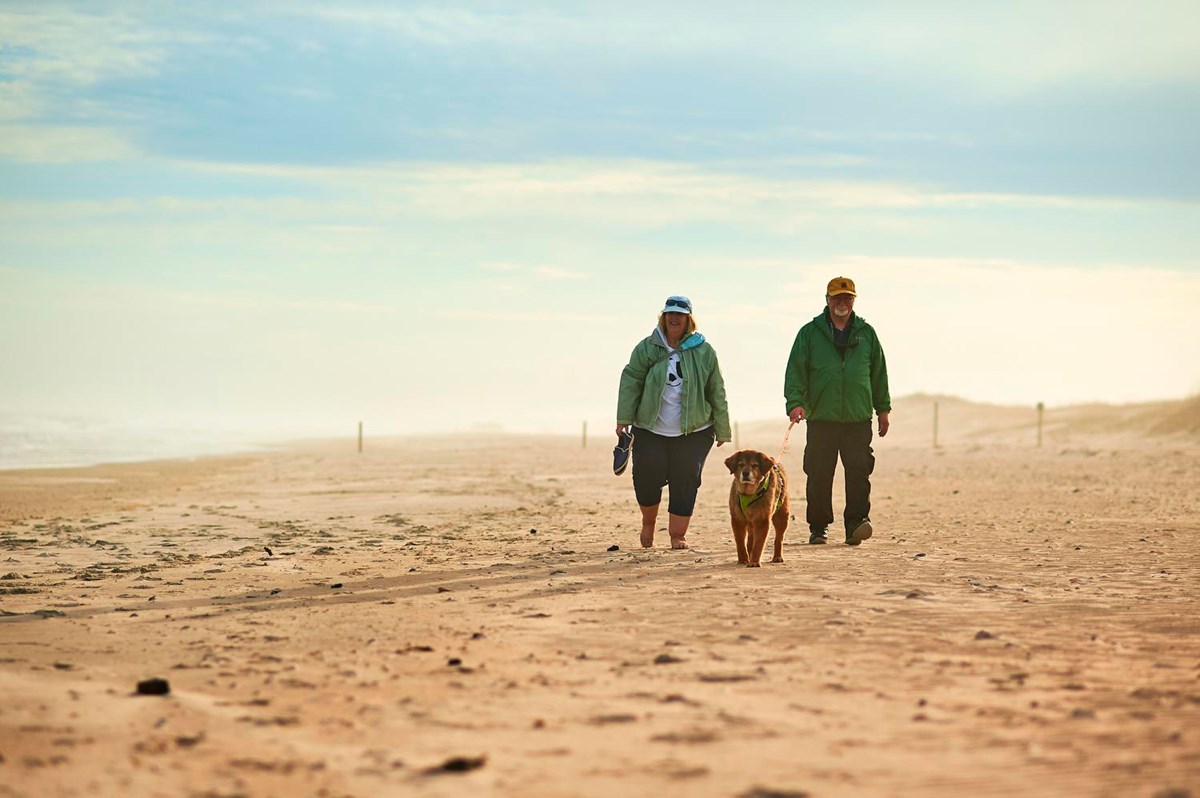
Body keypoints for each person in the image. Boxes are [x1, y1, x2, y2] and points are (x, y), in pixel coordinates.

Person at [616, 295, 731, 549]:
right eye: (670, 313)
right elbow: (631, 380)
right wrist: (623, 418)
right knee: (646, 475)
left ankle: (677, 535)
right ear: (663, 317)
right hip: (650, 428)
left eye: (679, 314)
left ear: (689, 319)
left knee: (686, 479)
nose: (674, 317)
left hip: (695, 430)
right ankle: (648, 523)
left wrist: (723, 427)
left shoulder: (704, 350)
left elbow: (716, 389)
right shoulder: (647, 347)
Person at [784, 277, 891, 546]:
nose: (842, 303)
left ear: (854, 300)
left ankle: (856, 523)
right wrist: (795, 402)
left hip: (857, 418)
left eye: (847, 298)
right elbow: (795, 371)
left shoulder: (866, 333)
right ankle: (818, 527)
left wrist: (883, 408)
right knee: (819, 473)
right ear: (827, 300)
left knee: (859, 472)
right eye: (837, 298)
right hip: (821, 417)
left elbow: (878, 372)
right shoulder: (809, 333)